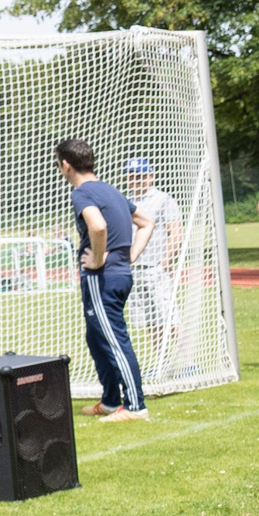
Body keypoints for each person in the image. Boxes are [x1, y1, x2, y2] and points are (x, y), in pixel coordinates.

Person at [56, 137, 148, 421]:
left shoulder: (82, 193)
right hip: (120, 274)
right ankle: (110, 400)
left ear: (66, 165)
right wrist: (129, 255)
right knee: (96, 337)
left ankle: (135, 406)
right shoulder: (112, 190)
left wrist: (96, 259)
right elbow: (146, 223)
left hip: (102, 279)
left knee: (113, 338)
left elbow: (98, 226)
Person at [122, 158, 187, 373]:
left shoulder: (162, 200)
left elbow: (175, 231)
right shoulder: (125, 200)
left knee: (169, 314)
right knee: (151, 319)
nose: (135, 179)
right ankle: (162, 362)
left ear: (150, 176)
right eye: (131, 175)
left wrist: (165, 262)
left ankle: (188, 361)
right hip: (134, 268)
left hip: (155, 266)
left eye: (140, 175)